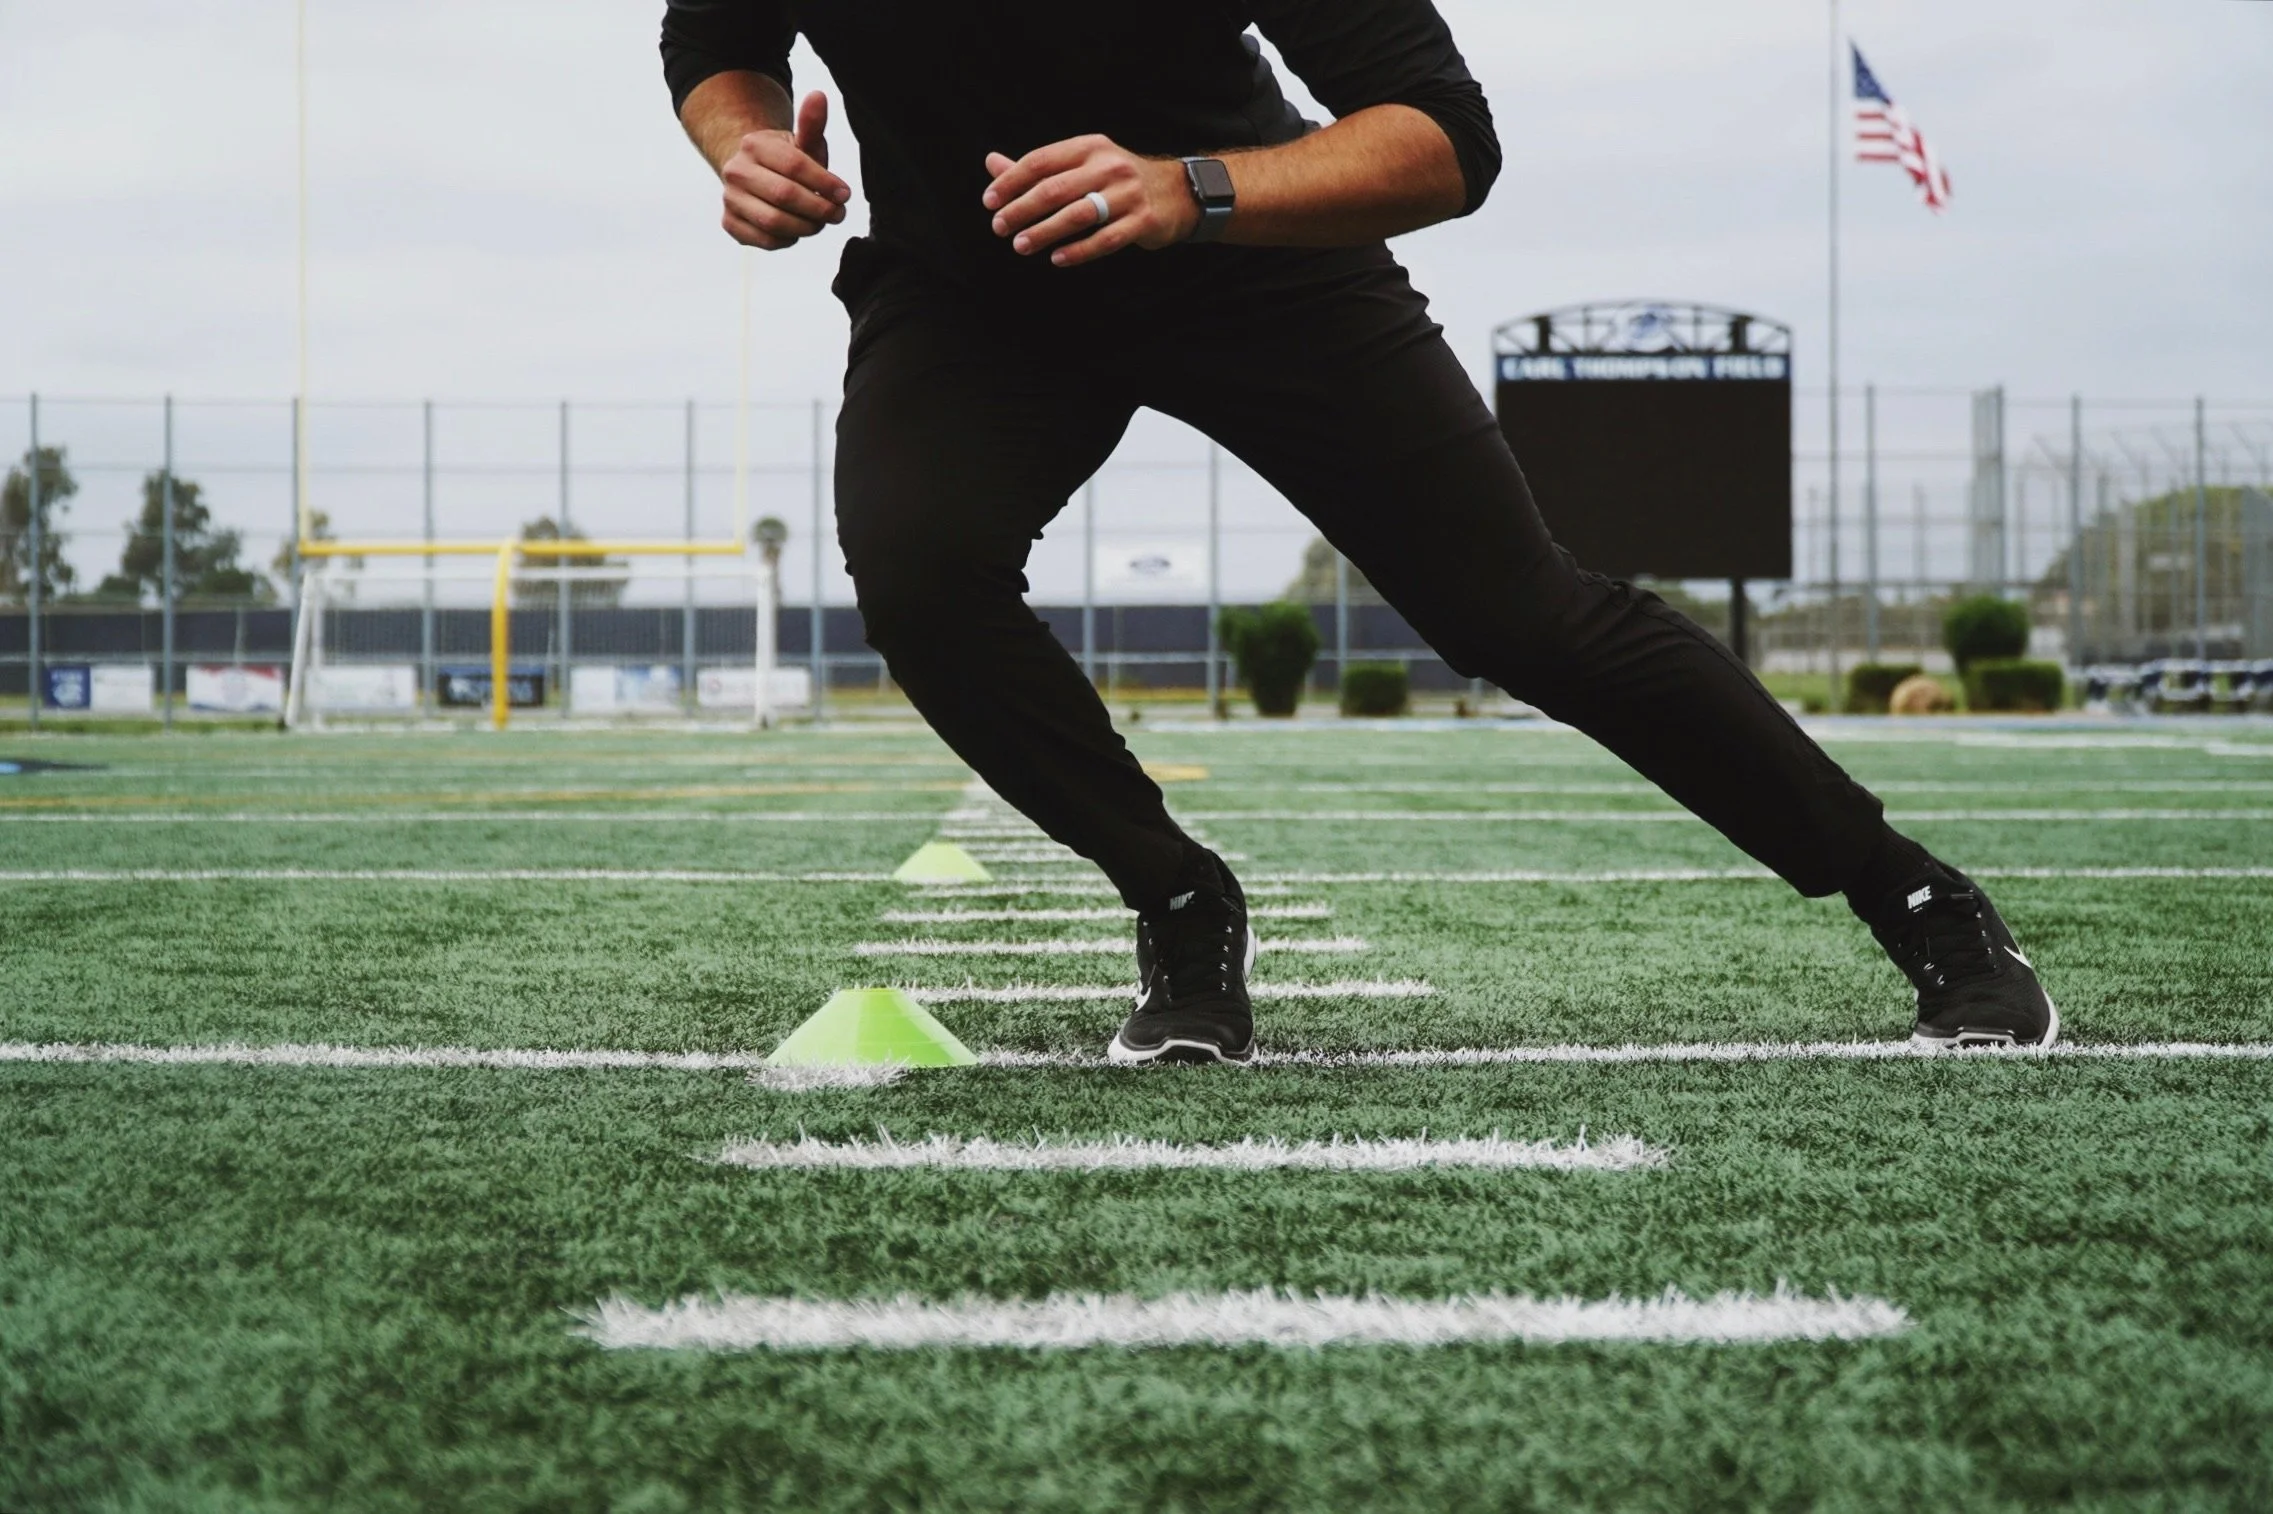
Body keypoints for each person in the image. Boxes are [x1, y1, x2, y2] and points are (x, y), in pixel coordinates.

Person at [659, 0, 2058, 1065]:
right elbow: (715, 42)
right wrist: (749, 152)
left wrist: (1186, 187)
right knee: (918, 570)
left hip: (1244, 253)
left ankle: (1914, 895)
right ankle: (1179, 896)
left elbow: (1446, 138)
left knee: (1518, 613)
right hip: (979, 286)